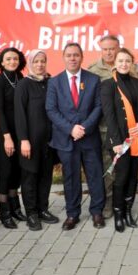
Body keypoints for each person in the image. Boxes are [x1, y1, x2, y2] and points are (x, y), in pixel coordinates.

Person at [46, 43, 106, 231]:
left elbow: (98, 107)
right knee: (70, 178)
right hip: (66, 139)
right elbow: (51, 110)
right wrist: (71, 129)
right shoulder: (54, 82)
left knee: (95, 176)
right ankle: (72, 214)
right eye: (69, 55)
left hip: (89, 138)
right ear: (63, 58)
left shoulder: (94, 79)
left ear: (82, 57)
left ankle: (97, 212)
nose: (73, 58)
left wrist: (85, 127)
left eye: (76, 55)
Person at [88, 34, 138, 218]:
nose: (109, 52)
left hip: (128, 131)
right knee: (107, 170)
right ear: (100, 50)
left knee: (124, 171)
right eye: (105, 49)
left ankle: (122, 205)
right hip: (104, 130)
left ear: (119, 49)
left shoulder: (133, 71)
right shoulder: (93, 70)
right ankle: (108, 205)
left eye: (113, 48)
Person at [101, 48, 138, 232]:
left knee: (133, 178)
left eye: (127, 61)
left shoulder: (137, 83)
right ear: (115, 62)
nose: (124, 64)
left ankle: (128, 212)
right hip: (121, 141)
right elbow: (109, 116)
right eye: (120, 61)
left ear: (132, 63)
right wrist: (116, 142)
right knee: (121, 178)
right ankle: (118, 215)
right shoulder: (108, 85)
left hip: (137, 138)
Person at [15, 50, 58, 230]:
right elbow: (19, 114)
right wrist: (24, 139)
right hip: (30, 141)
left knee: (45, 176)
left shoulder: (51, 82)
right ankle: (31, 213)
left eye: (43, 61)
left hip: (49, 140)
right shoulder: (24, 85)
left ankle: (43, 209)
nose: (40, 65)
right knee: (30, 177)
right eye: (36, 61)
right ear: (30, 63)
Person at [0, 47, 27, 228]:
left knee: (16, 171)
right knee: (5, 172)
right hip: (5, 134)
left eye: (15, 58)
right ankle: (4, 212)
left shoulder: (20, 78)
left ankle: (15, 208)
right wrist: (7, 137)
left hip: (20, 132)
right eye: (8, 59)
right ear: (2, 62)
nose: (12, 61)